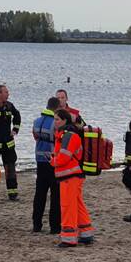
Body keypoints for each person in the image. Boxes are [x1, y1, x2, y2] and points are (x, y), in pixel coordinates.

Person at [52, 109, 94, 247]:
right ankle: (86, 232)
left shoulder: (68, 135)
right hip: (73, 175)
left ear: (64, 120)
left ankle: (69, 238)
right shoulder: (68, 134)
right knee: (77, 203)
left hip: (70, 176)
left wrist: (53, 161)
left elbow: (64, 157)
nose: (55, 122)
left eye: (57, 119)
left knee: (68, 206)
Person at [31, 97, 62, 234]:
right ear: (57, 108)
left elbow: (35, 136)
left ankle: (37, 225)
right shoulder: (55, 123)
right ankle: (54, 227)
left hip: (39, 159)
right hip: (52, 160)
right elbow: (58, 139)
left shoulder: (36, 121)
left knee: (40, 194)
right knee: (55, 195)